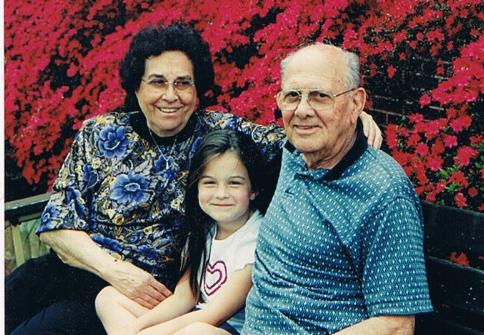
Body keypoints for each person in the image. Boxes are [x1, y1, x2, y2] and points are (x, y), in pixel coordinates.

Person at [5, 24, 381, 335]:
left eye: (183, 83)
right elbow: (57, 225)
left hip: (141, 297)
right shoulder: (99, 133)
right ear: (136, 87)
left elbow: (296, 135)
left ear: (198, 89)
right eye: (157, 82)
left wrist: (351, 117)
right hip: (86, 272)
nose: (171, 96)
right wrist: (117, 272)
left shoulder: (218, 132)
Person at [242, 43, 433, 335]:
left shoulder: (383, 193)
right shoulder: (293, 152)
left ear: (356, 102)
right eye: (293, 96)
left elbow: (396, 326)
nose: (303, 110)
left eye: (321, 96)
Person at [95, 129, 271, 335]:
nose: (221, 194)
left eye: (234, 183)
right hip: (193, 319)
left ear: (253, 190)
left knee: (196, 331)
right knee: (109, 298)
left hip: (227, 329)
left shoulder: (256, 239)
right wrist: (135, 329)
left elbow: (213, 315)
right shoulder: (205, 229)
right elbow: (184, 297)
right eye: (210, 182)